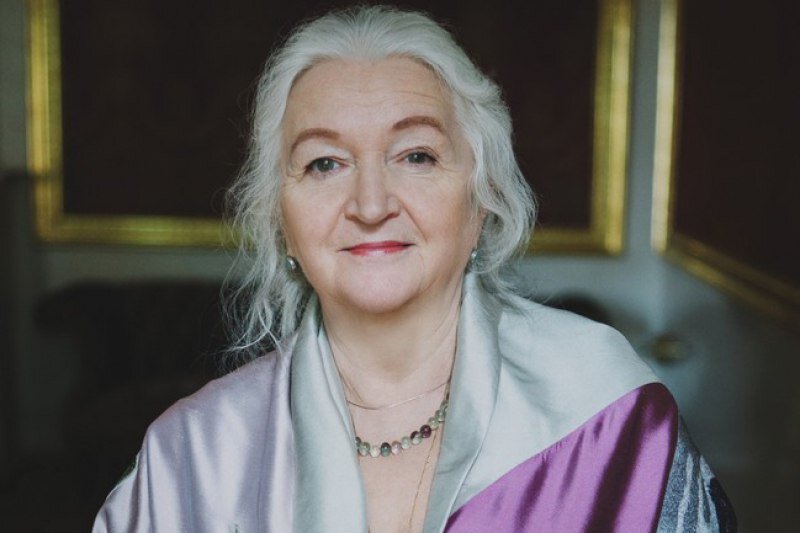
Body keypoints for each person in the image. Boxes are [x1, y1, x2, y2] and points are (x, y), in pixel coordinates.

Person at [94, 6, 735, 532]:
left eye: (417, 156)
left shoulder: (603, 407)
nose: (371, 205)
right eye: (324, 163)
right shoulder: (193, 455)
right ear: (280, 219)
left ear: (482, 199)